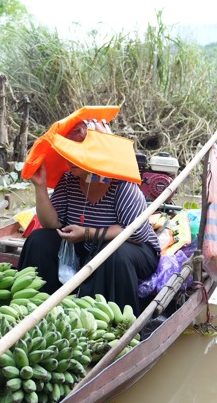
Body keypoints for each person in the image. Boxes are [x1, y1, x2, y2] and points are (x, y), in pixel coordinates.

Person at [19, 118, 160, 313]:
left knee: (112, 254)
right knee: (39, 239)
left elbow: (135, 234)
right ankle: (38, 307)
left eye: (78, 153)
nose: (69, 160)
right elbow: (52, 223)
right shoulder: (69, 180)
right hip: (86, 246)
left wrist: (87, 233)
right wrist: (40, 187)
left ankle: (114, 321)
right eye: (68, 153)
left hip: (132, 251)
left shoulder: (122, 185)